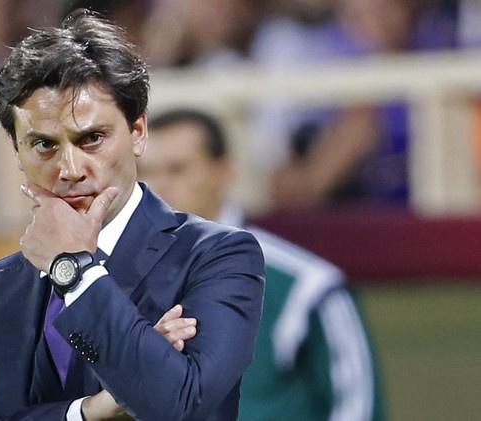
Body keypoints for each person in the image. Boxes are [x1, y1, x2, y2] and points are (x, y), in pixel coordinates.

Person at [0, 10, 265, 421]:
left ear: (138, 133)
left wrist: (75, 272)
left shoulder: (218, 256)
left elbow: (181, 404)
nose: (70, 169)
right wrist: (89, 410)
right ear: (17, 151)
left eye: (92, 138)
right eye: (44, 145)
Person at [138, 108, 383, 420]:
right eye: (146, 171)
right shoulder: (115, 278)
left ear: (224, 172)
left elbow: (358, 407)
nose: (159, 186)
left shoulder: (301, 284)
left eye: (177, 169)